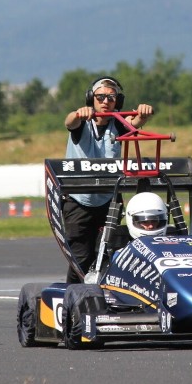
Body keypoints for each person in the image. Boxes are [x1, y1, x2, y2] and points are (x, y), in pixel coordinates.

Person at [62, 76, 154, 282]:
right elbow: (69, 122)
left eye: (111, 98)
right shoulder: (82, 123)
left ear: (117, 102)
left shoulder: (117, 123)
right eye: (100, 97)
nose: (105, 101)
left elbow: (134, 123)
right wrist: (78, 113)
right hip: (79, 200)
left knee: (108, 253)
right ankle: (73, 298)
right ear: (91, 99)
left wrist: (144, 114)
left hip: (108, 199)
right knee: (81, 257)